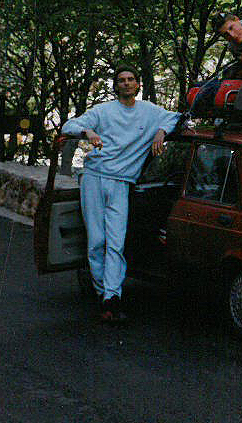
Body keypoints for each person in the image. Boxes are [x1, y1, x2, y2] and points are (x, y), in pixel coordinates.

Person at [61, 64, 181, 323]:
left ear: (137, 85)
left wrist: (161, 132)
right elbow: (69, 126)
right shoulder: (103, 111)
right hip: (94, 178)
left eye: (131, 79)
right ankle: (104, 294)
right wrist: (88, 131)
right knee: (97, 240)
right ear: (116, 86)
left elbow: (177, 116)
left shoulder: (150, 112)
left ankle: (112, 297)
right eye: (121, 80)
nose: (126, 83)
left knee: (116, 241)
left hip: (122, 182)